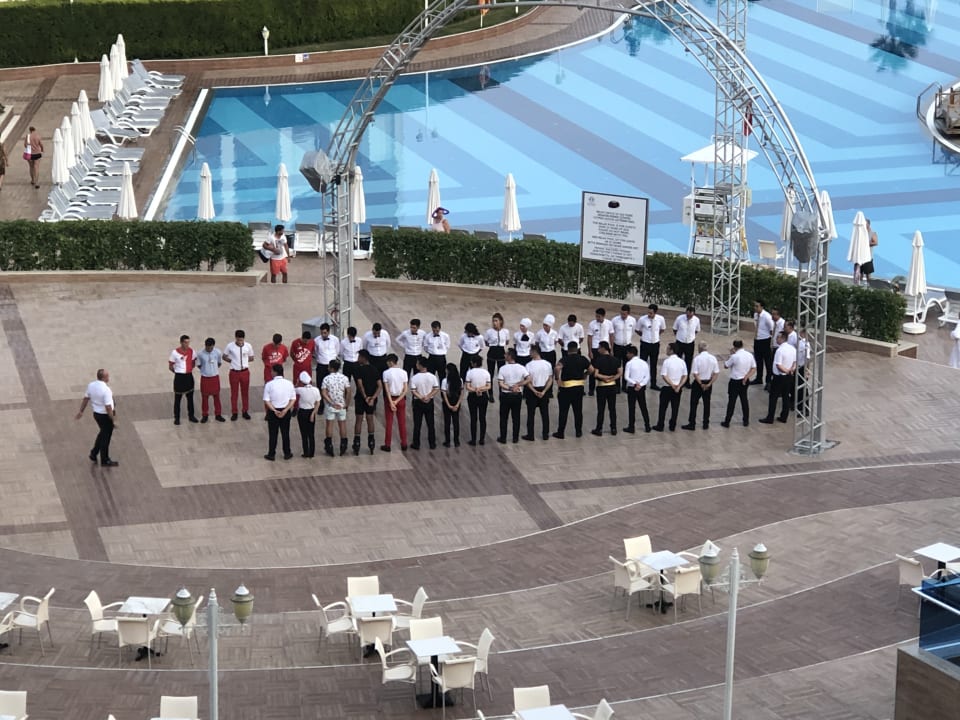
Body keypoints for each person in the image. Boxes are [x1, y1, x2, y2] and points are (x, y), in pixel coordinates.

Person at [76, 368, 118, 467]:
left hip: (97, 414)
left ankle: (94, 453)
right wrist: (113, 419)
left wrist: (81, 411)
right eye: (107, 376)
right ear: (104, 378)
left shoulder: (91, 385)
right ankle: (105, 459)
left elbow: (86, 398)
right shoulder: (106, 390)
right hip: (105, 416)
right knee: (106, 438)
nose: (109, 377)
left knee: (103, 433)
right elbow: (108, 407)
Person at [553, 341, 592, 439]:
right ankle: (578, 432)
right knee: (578, 411)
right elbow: (591, 369)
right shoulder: (582, 359)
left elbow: (557, 368)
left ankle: (561, 432)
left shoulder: (565, 359)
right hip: (578, 388)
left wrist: (557, 379)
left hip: (566, 388)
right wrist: (585, 374)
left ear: (568, 350)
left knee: (563, 411)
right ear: (577, 349)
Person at [760, 331, 796, 424]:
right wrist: (791, 370)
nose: (776, 339)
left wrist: (786, 371)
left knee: (773, 397)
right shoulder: (792, 349)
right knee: (786, 396)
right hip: (789, 377)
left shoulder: (779, 350)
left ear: (782, 338)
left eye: (778, 337)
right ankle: (784, 416)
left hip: (779, 377)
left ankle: (770, 417)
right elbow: (794, 362)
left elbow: (778, 365)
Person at [682, 341, 720, 431]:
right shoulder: (713, 358)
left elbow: (695, 373)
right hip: (708, 382)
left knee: (694, 403)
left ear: (699, 348)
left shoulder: (697, 359)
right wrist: (709, 384)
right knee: (707, 403)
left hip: (698, 383)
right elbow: (716, 373)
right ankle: (705, 423)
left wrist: (700, 384)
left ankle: (692, 423)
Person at [263, 364, 296, 461]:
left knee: (273, 434)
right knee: (285, 433)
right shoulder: (289, 383)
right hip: (285, 411)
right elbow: (293, 399)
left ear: (275, 372)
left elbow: (266, 400)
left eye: (272, 371)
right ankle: (287, 453)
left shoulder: (269, 384)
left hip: (273, 411)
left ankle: (271, 454)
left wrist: (274, 410)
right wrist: (285, 410)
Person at [721, 339, 756, 428]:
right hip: (745, 380)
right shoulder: (749, 355)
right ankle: (746, 420)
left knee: (732, 401)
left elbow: (726, 365)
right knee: (744, 400)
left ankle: (727, 421)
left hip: (735, 381)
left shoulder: (734, 356)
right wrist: (747, 376)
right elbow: (753, 368)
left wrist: (730, 355)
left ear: (734, 347)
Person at [652, 342, 687, 432]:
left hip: (667, 387)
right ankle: (672, 425)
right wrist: (679, 386)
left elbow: (664, 375)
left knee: (663, 407)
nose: (666, 350)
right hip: (677, 388)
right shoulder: (682, 362)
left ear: (671, 350)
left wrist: (672, 385)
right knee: (675, 407)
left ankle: (660, 425)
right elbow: (685, 376)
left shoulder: (667, 362)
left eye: (668, 348)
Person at [352, 349, 382, 455]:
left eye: (359, 357)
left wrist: (365, 397)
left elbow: (360, 385)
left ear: (363, 358)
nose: (358, 359)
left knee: (359, 420)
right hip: (371, 400)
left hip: (361, 399)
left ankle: (357, 442)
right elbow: (380, 386)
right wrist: (373, 398)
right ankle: (371, 441)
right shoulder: (374, 369)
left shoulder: (358, 369)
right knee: (370, 419)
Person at [497, 349, 529, 444]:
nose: (504, 355)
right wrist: (518, 385)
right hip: (517, 395)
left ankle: (503, 437)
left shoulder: (503, 368)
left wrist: (510, 388)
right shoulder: (521, 368)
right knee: (516, 417)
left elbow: (501, 383)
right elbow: (528, 379)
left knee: (504, 417)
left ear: (510, 356)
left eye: (506, 354)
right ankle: (515, 438)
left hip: (506, 395)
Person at [321, 358, 352, 456]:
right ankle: (343, 445)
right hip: (342, 405)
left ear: (331, 368)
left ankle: (329, 445)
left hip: (331, 405)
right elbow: (348, 392)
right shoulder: (344, 378)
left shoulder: (326, 379)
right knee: (342, 425)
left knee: (329, 425)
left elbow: (324, 393)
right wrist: (346, 404)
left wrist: (331, 402)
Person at [522, 345, 553, 441]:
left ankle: (530, 434)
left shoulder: (528, 365)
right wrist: (544, 391)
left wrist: (534, 391)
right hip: (543, 389)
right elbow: (550, 379)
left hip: (533, 391)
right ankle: (545, 434)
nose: (529, 353)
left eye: (530, 351)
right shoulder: (547, 364)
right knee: (545, 414)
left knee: (531, 414)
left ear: (535, 352)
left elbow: (528, 381)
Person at [591, 341, 621, 436]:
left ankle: (599, 428)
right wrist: (612, 378)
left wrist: (604, 378)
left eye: (599, 348)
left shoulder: (598, 360)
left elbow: (596, 374)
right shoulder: (616, 360)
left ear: (603, 348)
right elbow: (620, 373)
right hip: (612, 386)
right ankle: (613, 428)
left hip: (602, 386)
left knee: (601, 409)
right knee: (612, 408)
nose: (598, 350)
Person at [223, 330, 255, 421]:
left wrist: (244, 361)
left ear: (244, 338)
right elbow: (224, 356)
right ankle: (234, 412)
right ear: (236, 338)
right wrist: (232, 361)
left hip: (245, 372)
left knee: (245, 392)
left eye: (241, 340)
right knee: (234, 393)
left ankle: (245, 411)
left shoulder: (248, 346)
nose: (240, 342)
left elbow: (252, 357)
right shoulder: (230, 346)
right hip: (234, 372)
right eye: (238, 340)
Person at [409, 357, 439, 450]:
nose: (416, 365)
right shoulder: (432, 377)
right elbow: (436, 388)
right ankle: (432, 443)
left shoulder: (414, 378)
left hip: (418, 402)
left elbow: (413, 391)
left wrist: (421, 397)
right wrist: (428, 396)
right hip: (429, 402)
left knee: (417, 424)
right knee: (430, 423)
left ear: (420, 366)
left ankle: (416, 443)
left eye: (417, 363)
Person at [380, 354, 408, 452]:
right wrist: (397, 400)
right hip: (401, 399)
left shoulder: (386, 373)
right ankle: (404, 443)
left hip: (390, 399)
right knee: (402, 422)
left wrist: (391, 402)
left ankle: (387, 444)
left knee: (389, 422)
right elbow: (405, 389)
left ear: (390, 362)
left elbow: (387, 389)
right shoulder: (404, 372)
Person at [169, 334, 198, 425]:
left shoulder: (192, 351)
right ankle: (177, 418)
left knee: (190, 398)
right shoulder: (175, 353)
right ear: (181, 342)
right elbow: (171, 366)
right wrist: (178, 372)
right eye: (185, 342)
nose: (187, 344)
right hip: (179, 377)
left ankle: (191, 416)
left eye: (188, 342)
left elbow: (193, 362)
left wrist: (188, 370)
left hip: (188, 376)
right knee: (177, 399)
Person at [636, 304, 667, 390]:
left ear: (655, 312)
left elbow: (662, 329)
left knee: (654, 364)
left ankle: (653, 383)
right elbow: (637, 329)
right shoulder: (642, 319)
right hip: (645, 343)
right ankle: (642, 383)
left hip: (655, 344)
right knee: (643, 364)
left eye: (651, 313)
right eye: (648, 312)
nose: (649, 314)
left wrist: (656, 335)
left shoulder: (660, 319)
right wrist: (644, 336)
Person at [195, 337, 225, 423]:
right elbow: (199, 365)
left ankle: (218, 414)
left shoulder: (217, 352)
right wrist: (206, 370)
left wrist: (213, 370)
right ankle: (205, 415)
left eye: (210, 347)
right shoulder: (200, 353)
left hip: (215, 377)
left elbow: (219, 363)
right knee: (205, 398)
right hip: (205, 378)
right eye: (207, 347)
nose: (209, 349)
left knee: (217, 397)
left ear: (213, 346)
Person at [622, 345, 651, 434]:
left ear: (631, 354)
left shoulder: (629, 363)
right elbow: (647, 377)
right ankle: (647, 425)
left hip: (632, 387)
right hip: (641, 388)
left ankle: (631, 427)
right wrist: (640, 384)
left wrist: (635, 383)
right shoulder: (644, 363)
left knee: (632, 407)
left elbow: (626, 377)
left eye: (627, 353)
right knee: (643, 406)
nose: (627, 355)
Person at [464, 355, 491, 446]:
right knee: (482, 418)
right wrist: (480, 389)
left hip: (472, 396)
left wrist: (475, 390)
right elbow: (488, 386)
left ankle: (473, 439)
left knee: (473, 418)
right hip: (483, 395)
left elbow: (468, 387)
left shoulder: (469, 373)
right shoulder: (486, 372)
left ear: (474, 363)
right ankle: (482, 439)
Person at [587, 308, 613, 396]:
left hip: (605, 348)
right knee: (593, 368)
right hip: (595, 348)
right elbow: (590, 338)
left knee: (605, 367)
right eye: (596, 316)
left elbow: (611, 335)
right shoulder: (592, 324)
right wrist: (590, 351)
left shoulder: (609, 323)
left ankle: (604, 384)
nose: (597, 318)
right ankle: (591, 388)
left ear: (603, 316)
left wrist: (611, 349)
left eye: (599, 316)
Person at [484, 312, 509, 401]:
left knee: (501, 373)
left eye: (496, 321)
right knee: (490, 373)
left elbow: (507, 341)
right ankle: (490, 393)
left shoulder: (505, 331)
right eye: (493, 321)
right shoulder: (489, 331)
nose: (494, 323)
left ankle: (501, 391)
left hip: (501, 352)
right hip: (492, 351)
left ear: (500, 321)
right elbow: (486, 342)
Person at [295, 371, 321, 458]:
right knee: (311, 434)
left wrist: (297, 383)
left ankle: (306, 452)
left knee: (304, 434)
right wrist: (313, 413)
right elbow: (318, 403)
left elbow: (293, 390)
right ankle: (312, 453)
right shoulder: (316, 390)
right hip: (311, 412)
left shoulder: (300, 390)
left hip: (302, 412)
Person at [673, 306, 700, 383]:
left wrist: (690, 337)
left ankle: (686, 380)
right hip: (679, 342)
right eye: (688, 315)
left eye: (691, 315)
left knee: (688, 362)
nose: (689, 317)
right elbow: (675, 329)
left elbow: (696, 330)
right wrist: (680, 336)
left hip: (690, 343)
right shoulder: (679, 318)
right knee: (677, 360)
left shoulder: (696, 320)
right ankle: (677, 378)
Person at [751, 300, 774, 388]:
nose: (755, 308)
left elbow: (772, 329)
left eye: (757, 306)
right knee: (758, 360)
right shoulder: (755, 315)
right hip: (757, 339)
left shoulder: (767, 316)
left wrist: (770, 340)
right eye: (755, 306)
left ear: (762, 307)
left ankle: (768, 381)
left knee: (767, 362)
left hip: (765, 340)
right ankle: (758, 378)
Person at [440, 362, 464, 448]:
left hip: (448, 402)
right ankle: (456, 441)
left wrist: (448, 405)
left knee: (447, 422)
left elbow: (444, 394)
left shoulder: (445, 381)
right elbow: (461, 393)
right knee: (456, 421)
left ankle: (447, 441)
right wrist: (457, 404)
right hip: (456, 401)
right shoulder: (460, 380)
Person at [313, 323, 340, 392]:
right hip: (321, 365)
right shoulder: (316, 340)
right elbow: (316, 352)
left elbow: (337, 350)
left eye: (325, 333)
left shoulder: (335, 339)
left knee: (332, 384)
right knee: (320, 384)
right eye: (321, 333)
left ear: (328, 331)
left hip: (332, 365)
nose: (323, 335)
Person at [611, 304, 637, 375]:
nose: (623, 316)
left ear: (628, 313)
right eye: (621, 314)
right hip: (617, 346)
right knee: (616, 365)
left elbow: (633, 331)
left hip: (627, 346)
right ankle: (617, 381)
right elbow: (612, 333)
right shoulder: (614, 320)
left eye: (624, 314)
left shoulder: (632, 320)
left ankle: (625, 381)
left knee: (627, 365)